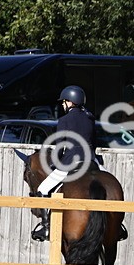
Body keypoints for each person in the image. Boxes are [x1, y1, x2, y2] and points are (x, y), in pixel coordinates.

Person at [31, 85, 98, 241]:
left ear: (70, 101)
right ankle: (118, 226)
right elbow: (94, 143)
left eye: (64, 102)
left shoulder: (64, 120)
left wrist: (57, 162)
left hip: (71, 162)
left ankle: (46, 227)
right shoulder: (90, 119)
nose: (62, 105)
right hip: (90, 160)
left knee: (42, 189)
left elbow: (61, 146)